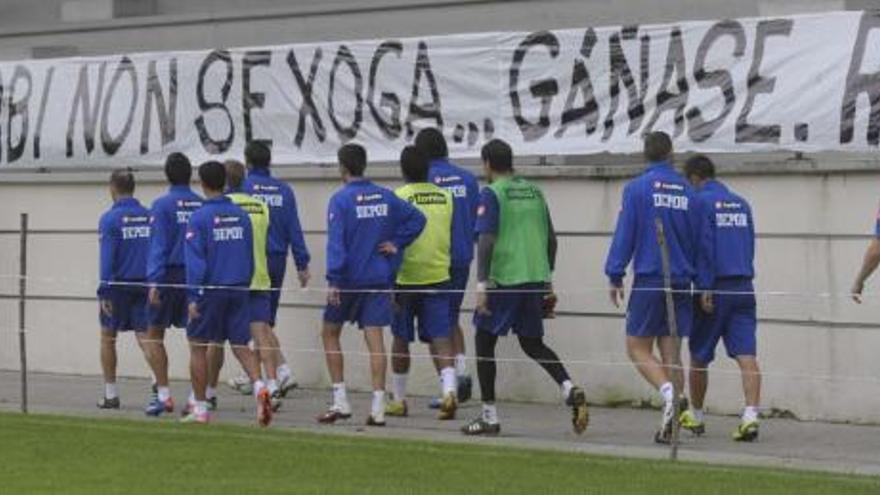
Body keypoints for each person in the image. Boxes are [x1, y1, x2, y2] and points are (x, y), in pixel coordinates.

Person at [462, 139, 588, 437]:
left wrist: (481, 284)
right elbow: (552, 240)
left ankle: (489, 416)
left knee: (483, 343)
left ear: (488, 164)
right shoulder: (535, 192)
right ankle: (569, 388)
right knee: (532, 343)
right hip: (534, 280)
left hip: (503, 281)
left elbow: (486, 240)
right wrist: (547, 281)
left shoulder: (492, 193)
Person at [318, 143, 426, 427]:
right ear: (364, 165)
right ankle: (378, 405)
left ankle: (341, 400)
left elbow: (337, 245)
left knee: (329, 333)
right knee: (375, 339)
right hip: (378, 278)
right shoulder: (385, 196)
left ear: (343, 167)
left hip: (348, 280)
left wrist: (333, 280)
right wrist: (397, 243)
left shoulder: (340, 200)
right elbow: (418, 219)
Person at [604, 131, 698, 444]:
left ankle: (671, 396)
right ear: (671, 153)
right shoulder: (688, 189)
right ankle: (671, 421)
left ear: (645, 154)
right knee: (671, 353)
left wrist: (615, 273)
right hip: (683, 279)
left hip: (650, 277)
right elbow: (698, 237)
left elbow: (625, 232)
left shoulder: (637, 189)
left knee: (637, 347)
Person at [182, 161, 272, 426]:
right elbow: (249, 254)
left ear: (203, 183)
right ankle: (260, 388)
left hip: (211, 290)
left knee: (197, 347)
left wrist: (194, 297)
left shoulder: (198, 217)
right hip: (239, 288)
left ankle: (200, 408)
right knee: (241, 345)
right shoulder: (241, 215)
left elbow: (196, 262)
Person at [679, 155, 761, 442]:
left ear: (693, 178)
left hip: (714, 288)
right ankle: (751, 415)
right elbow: (750, 244)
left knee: (699, 356)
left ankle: (697, 416)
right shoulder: (742, 203)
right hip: (744, 287)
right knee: (747, 355)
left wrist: (704, 287)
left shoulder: (700, 202)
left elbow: (704, 246)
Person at [203, 160, 284, 412]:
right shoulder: (261, 205)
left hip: (233, 278)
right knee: (262, 334)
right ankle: (271, 386)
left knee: (216, 340)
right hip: (260, 275)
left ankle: (210, 392)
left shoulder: (225, 208)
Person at [386, 146, 458, 420]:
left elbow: (392, 241)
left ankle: (399, 400)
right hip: (439, 274)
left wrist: (388, 281)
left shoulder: (398, 197)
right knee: (441, 336)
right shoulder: (445, 197)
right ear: (429, 169)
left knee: (400, 339)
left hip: (406, 277)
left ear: (402, 170)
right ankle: (449, 391)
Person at [239, 142, 310, 397]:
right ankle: (265, 373)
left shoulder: (244, 188)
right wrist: (302, 263)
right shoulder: (284, 190)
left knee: (254, 320)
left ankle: (279, 372)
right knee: (264, 320)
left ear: (247, 162)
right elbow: (294, 228)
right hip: (277, 259)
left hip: (252, 258)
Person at [416, 128, 478, 406]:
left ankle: (448, 387)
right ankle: (462, 374)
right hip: (463, 258)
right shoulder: (468, 179)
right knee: (450, 318)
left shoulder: (424, 181)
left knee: (435, 325)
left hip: (435, 262)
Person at [144, 153, 203, 416]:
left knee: (154, 335)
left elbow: (158, 246)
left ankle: (165, 396)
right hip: (194, 276)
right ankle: (195, 398)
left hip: (168, 276)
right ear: (190, 175)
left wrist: (154, 281)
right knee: (197, 341)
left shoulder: (161, 205)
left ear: (167, 175)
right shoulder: (202, 204)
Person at [96, 169, 153, 409]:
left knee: (108, 338)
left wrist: (104, 291)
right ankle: (158, 389)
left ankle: (111, 394)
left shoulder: (109, 219)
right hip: (145, 284)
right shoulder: (149, 216)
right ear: (133, 187)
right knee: (146, 338)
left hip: (118, 286)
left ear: (112, 187)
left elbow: (107, 259)